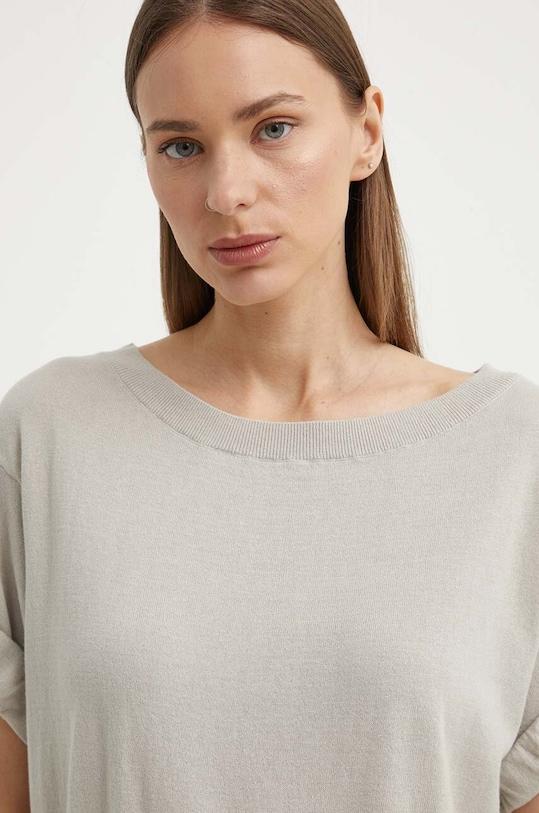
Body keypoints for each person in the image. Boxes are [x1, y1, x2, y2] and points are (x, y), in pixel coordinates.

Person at [1, 1, 538, 811]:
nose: (226, 193)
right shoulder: (49, 436)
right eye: (181, 146)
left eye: (273, 128)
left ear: (366, 132)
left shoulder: (512, 453)